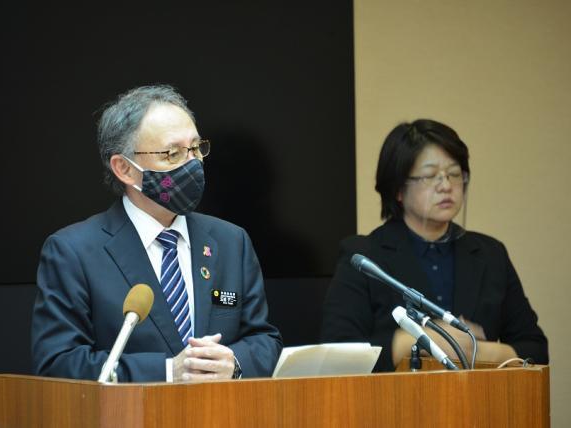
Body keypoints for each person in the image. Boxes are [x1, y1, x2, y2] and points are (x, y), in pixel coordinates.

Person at [31, 85, 282, 382]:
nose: (192, 164)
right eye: (172, 153)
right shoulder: (73, 251)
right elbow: (59, 362)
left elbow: (264, 340)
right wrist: (167, 371)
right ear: (124, 168)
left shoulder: (231, 241)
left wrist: (235, 363)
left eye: (196, 148)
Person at [321, 119, 548, 371]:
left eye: (454, 174)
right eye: (430, 176)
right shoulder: (363, 257)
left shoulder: (490, 254)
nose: (446, 186)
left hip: (479, 401)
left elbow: (536, 350)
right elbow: (338, 354)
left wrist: (477, 349)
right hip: (394, 404)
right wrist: (418, 341)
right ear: (398, 189)